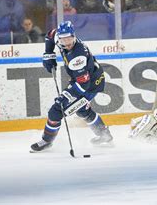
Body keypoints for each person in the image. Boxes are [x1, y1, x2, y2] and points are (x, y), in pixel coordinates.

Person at [31, 21, 113, 152]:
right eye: (63, 40)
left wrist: (65, 97)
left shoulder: (77, 57)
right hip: (87, 77)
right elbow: (50, 35)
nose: (67, 43)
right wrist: (48, 54)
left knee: (56, 111)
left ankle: (46, 141)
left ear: (74, 36)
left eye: (69, 39)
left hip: (90, 84)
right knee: (82, 110)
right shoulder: (59, 38)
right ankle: (104, 135)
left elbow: (83, 85)